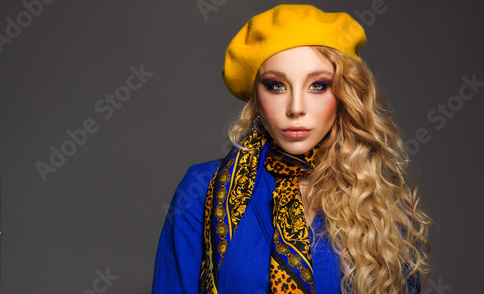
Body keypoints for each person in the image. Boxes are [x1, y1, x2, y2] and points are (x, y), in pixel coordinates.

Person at [152, 4, 431, 294]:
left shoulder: (378, 203)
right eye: (276, 86)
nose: (296, 108)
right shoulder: (201, 189)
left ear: (344, 94)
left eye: (318, 85)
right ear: (255, 97)